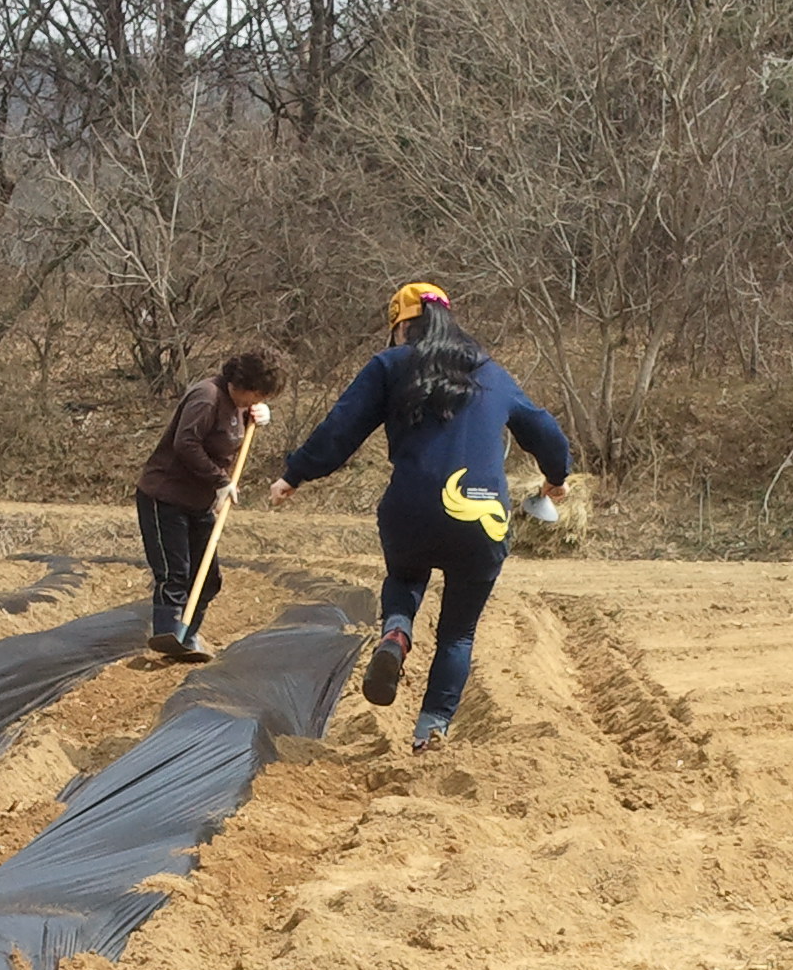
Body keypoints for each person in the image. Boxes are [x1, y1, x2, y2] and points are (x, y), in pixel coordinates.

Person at [269, 283, 569, 750]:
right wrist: (557, 477)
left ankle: (396, 634)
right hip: (484, 515)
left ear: (403, 325)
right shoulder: (492, 373)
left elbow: (341, 428)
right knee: (458, 633)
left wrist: (295, 474)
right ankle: (430, 730)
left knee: (405, 577)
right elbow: (545, 430)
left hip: (413, 507)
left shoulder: (390, 365)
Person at [135, 346, 283, 661]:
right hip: (166, 497)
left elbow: (231, 431)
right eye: (257, 395)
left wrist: (256, 415)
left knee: (208, 579)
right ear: (242, 384)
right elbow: (186, 443)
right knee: (175, 573)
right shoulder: (207, 397)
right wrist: (221, 481)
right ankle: (168, 635)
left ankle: (187, 637)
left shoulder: (240, 405)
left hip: (198, 502)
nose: (258, 401)